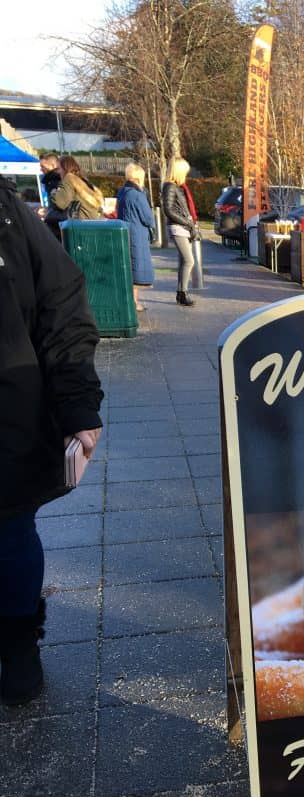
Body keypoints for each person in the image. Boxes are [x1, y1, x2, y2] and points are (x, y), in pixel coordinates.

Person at [0, 175, 103, 706]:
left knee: (11, 532)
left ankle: (19, 642)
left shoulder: (10, 217)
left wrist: (78, 406)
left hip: (8, 413)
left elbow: (61, 311)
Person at [161, 157, 200, 307]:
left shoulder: (177, 187)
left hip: (182, 227)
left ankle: (181, 293)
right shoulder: (170, 187)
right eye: (184, 171)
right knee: (189, 260)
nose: (186, 174)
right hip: (178, 227)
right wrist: (188, 223)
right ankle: (183, 293)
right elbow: (169, 210)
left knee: (184, 261)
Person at [117, 162, 155, 313]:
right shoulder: (137, 195)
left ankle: (133, 302)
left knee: (130, 268)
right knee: (136, 271)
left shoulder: (123, 192)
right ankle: (133, 303)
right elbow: (148, 218)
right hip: (137, 234)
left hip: (126, 232)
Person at [50, 155, 104, 221]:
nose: (58, 172)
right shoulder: (83, 181)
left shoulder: (69, 178)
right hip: (94, 222)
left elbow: (61, 203)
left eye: (59, 169)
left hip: (81, 225)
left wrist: (53, 192)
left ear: (65, 168)